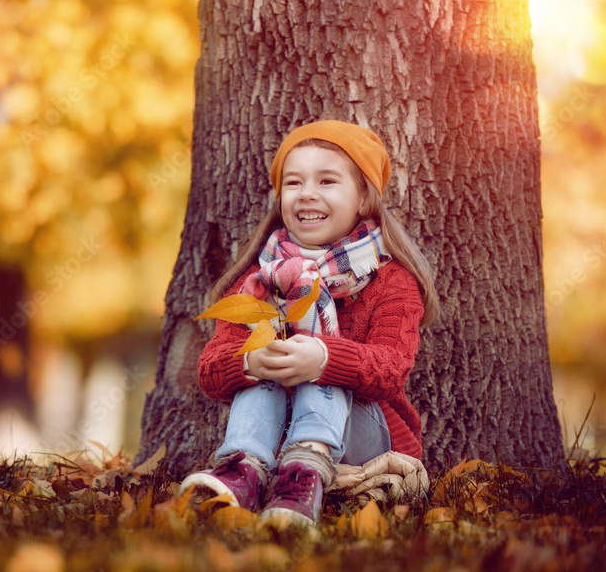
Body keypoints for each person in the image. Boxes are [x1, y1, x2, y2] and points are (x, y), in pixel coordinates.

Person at [179, 120, 439, 527]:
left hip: (363, 438)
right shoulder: (258, 280)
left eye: (328, 181)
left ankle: (306, 473)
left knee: (319, 359)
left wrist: (321, 358)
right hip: (274, 437)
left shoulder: (392, 281)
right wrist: (251, 362)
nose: (308, 194)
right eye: (294, 182)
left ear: (365, 198)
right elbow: (210, 370)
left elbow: (391, 369)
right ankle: (242, 470)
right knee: (263, 359)